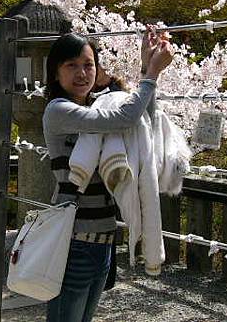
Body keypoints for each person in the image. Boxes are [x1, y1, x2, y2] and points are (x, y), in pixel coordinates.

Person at [42, 27, 174, 322]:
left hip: (103, 239)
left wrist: (144, 66)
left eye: (88, 65)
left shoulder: (94, 107)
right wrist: (151, 75)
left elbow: (142, 121)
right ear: (55, 73)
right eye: (71, 65)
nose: (82, 73)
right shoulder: (58, 110)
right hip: (74, 239)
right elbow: (123, 117)